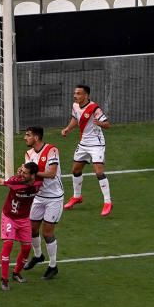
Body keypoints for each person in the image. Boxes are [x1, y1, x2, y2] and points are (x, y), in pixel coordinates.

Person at [0, 162, 41, 291]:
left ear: (33, 175)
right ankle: (4, 279)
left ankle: (16, 273)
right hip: (9, 217)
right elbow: (0, 181)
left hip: (24, 219)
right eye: (21, 171)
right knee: (8, 244)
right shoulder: (15, 181)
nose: (22, 174)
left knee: (27, 248)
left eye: (25, 173)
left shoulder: (39, 182)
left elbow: (51, 174)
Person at [61, 84, 113, 217]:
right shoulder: (75, 106)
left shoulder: (94, 108)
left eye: (78, 93)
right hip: (83, 143)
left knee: (99, 172)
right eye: (75, 93)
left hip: (96, 144)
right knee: (76, 170)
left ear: (86, 95)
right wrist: (68, 128)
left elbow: (107, 124)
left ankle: (107, 202)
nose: (75, 95)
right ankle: (77, 197)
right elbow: (75, 118)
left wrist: (100, 123)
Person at [22, 127, 63, 280]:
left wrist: (32, 173)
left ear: (37, 137)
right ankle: (38, 255)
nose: (25, 138)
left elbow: (52, 173)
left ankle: (53, 266)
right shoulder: (28, 154)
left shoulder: (52, 150)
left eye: (28, 135)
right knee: (31, 229)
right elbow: (29, 177)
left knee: (47, 233)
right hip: (38, 196)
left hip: (54, 198)